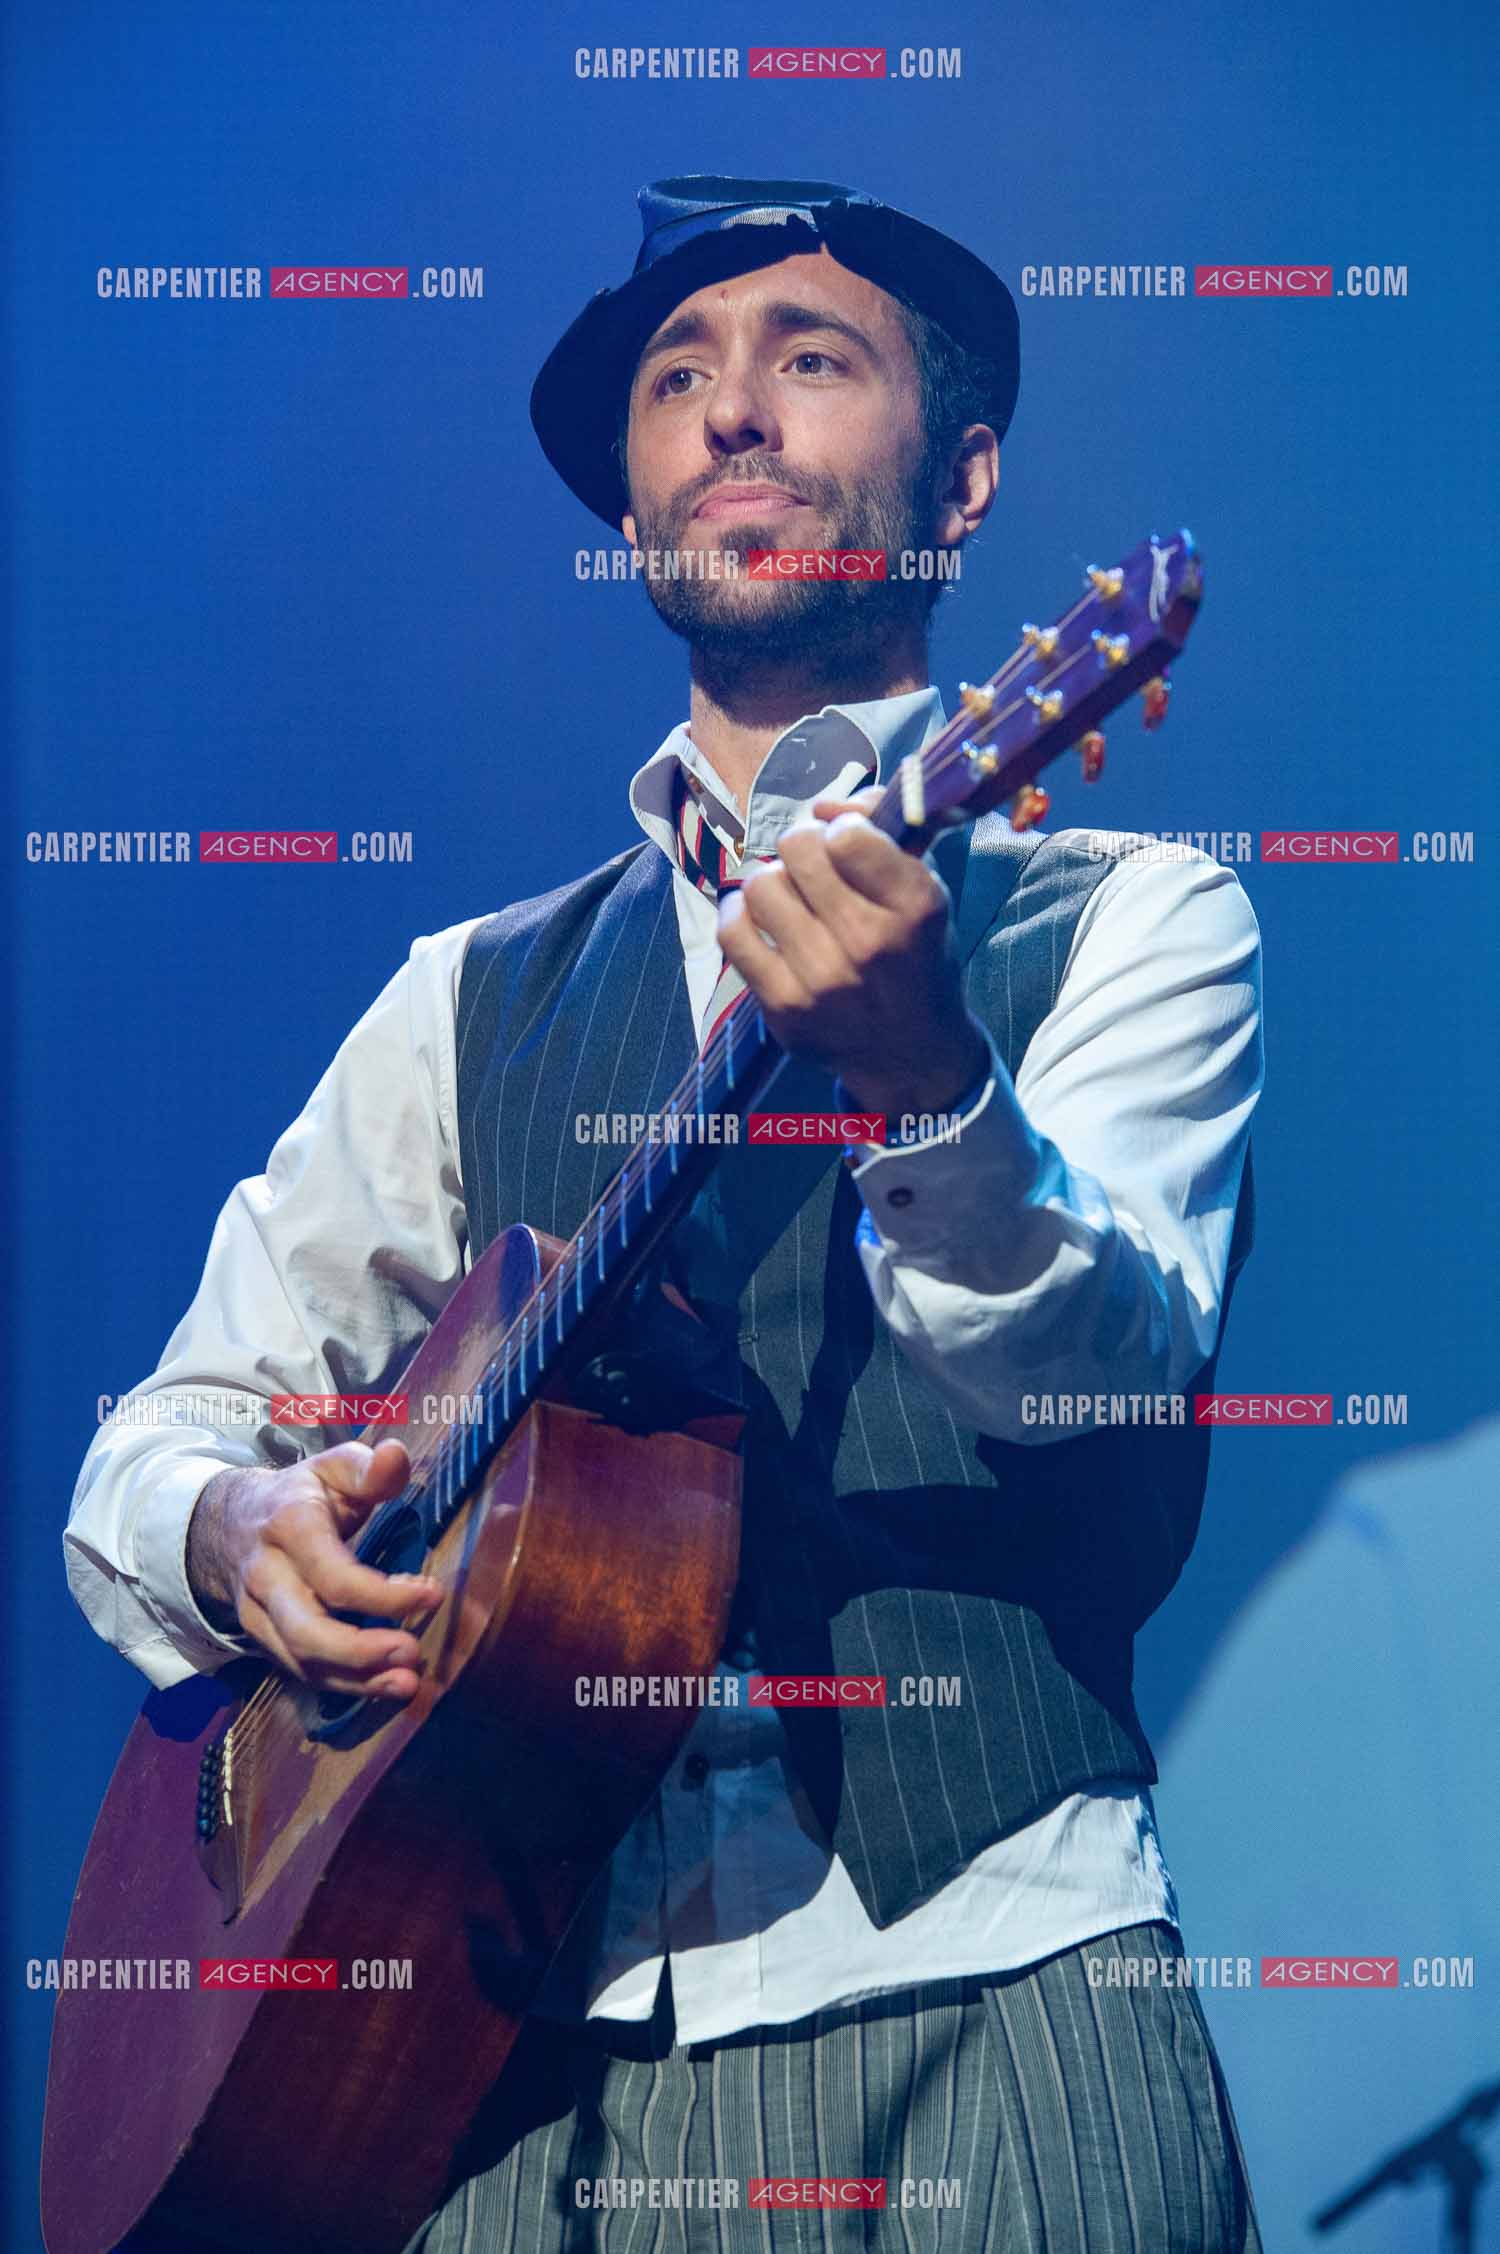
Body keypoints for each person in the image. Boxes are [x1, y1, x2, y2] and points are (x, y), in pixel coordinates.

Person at [66, 176, 1265, 2251]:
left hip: (992, 1989)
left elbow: (1102, 1376)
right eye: (676, 378)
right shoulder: (469, 991)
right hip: (504, 2067)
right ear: (631, 502)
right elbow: (157, 1435)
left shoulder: (1127, 913)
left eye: (812, 359)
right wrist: (235, 1524)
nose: (732, 414)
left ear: (963, 479)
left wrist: (928, 1080)